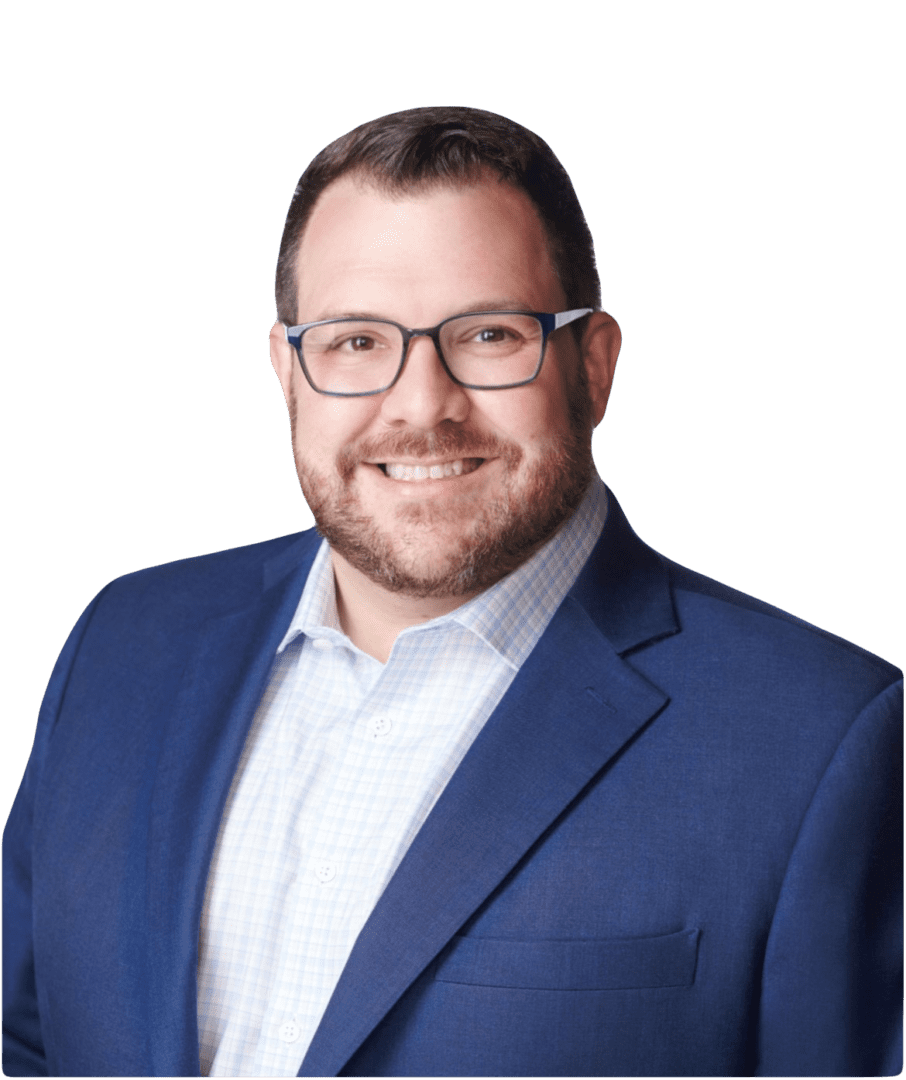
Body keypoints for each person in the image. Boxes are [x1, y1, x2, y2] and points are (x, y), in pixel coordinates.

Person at [2, 106, 902, 1079]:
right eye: (355, 342)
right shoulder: (121, 642)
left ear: (592, 368)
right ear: (288, 373)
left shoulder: (822, 743)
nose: (423, 403)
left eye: (488, 334)